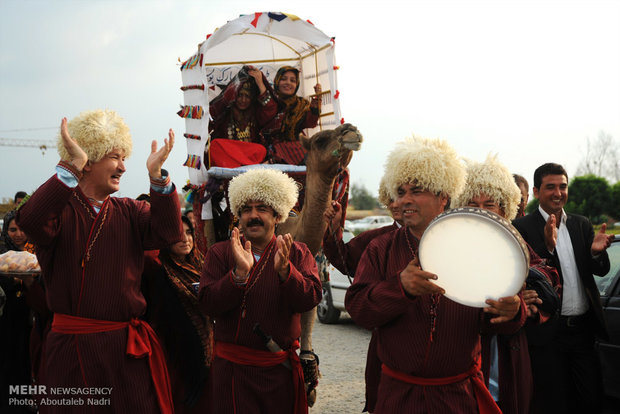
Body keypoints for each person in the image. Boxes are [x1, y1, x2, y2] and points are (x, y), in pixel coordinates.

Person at [16, 109, 184, 413]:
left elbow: (169, 232)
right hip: (71, 349)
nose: (123, 166)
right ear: (89, 160)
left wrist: (157, 177)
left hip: (125, 350)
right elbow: (30, 220)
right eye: (115, 157)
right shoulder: (59, 212)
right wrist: (71, 166)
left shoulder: (130, 211)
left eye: (124, 158)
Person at [345, 136, 526, 414]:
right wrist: (400, 288)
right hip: (398, 396)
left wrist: (512, 312)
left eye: (416, 191)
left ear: (443, 197)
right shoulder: (381, 248)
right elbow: (358, 310)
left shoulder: (477, 248)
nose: (405, 200)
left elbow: (493, 322)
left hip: (457, 396)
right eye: (400, 192)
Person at [199, 168, 322, 414]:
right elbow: (207, 303)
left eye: (262, 209)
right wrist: (237, 276)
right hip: (232, 374)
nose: (253, 215)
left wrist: (287, 272)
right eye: (246, 209)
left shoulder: (297, 253)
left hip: (279, 372)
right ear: (238, 215)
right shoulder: (220, 253)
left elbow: (310, 298)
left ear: (278, 215)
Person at [453, 155, 560, 414]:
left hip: (507, 356)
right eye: (472, 204)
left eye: (489, 204)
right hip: (461, 355)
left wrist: (525, 298)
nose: (480, 210)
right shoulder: (450, 246)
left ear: (503, 209)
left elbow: (547, 274)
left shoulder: (515, 242)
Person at [512, 162, 613, 414]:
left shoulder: (581, 224)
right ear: (537, 192)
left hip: (583, 332)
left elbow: (600, 270)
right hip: (547, 334)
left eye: (563, 186)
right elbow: (527, 275)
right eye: (550, 187)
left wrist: (596, 253)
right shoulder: (522, 228)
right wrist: (547, 248)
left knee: (591, 401)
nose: (558, 193)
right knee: (555, 403)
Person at [322, 177, 402, 413]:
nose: (397, 203)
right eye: (392, 198)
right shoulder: (376, 240)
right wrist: (335, 229)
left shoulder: (446, 240)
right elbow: (344, 259)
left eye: (408, 194)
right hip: (386, 340)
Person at [142, 215, 213, 413]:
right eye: (178, 234)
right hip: (176, 358)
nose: (185, 239)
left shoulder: (202, 265)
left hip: (207, 354)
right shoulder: (159, 271)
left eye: (189, 233)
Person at [0, 210, 35, 414]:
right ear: (6, 231)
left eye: (23, 229)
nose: (18, 234)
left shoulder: (38, 255)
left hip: (31, 324)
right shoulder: (2, 255)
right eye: (13, 229)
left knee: (26, 367)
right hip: (6, 323)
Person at [208, 65, 278, 167]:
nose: (243, 100)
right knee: (215, 145)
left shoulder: (256, 113)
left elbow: (271, 109)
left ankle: (245, 167)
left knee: (261, 150)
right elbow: (211, 116)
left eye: (247, 96)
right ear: (234, 95)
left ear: (252, 98)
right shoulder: (225, 113)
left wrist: (260, 83)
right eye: (240, 95)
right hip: (230, 156)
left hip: (250, 156)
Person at [262, 66, 322, 165]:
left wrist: (318, 98)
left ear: (297, 84)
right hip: (271, 147)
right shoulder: (269, 101)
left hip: (295, 149)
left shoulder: (301, 104)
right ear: (277, 81)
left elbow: (311, 123)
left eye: (293, 80)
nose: (288, 83)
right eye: (283, 79)